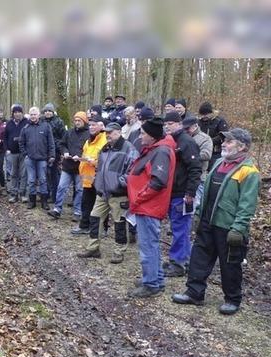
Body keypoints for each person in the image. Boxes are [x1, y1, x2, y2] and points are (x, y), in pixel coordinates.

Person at [172, 128, 260, 315]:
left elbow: (247, 204)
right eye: (224, 141)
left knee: (230, 264)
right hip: (208, 221)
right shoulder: (219, 162)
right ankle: (194, 293)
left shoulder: (249, 172)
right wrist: (198, 215)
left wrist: (238, 228)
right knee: (199, 258)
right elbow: (206, 193)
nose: (224, 144)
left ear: (242, 146)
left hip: (228, 227)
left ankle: (232, 299)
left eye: (229, 141)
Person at [126, 117, 177, 298]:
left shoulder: (161, 151)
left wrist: (139, 198)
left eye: (143, 133)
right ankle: (156, 278)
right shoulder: (156, 148)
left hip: (149, 206)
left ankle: (151, 284)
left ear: (153, 136)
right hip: (145, 206)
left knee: (148, 246)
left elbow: (158, 182)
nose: (140, 137)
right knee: (151, 245)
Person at [78, 122, 138, 263]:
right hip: (102, 192)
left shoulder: (129, 149)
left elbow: (133, 171)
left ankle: (119, 251)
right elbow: (99, 167)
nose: (107, 135)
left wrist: (119, 183)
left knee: (119, 223)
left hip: (119, 194)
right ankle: (93, 248)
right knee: (94, 218)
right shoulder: (105, 148)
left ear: (119, 132)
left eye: (110, 132)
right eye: (106, 132)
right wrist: (98, 182)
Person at [162, 111, 202, 277]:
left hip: (183, 193)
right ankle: (179, 259)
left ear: (179, 124)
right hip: (172, 192)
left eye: (170, 124)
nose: (167, 126)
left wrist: (190, 193)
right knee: (176, 227)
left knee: (181, 228)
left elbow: (195, 168)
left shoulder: (186, 142)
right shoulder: (171, 141)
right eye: (166, 124)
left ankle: (179, 263)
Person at [47, 111, 89, 220]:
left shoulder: (89, 134)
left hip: (81, 167)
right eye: (75, 120)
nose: (77, 122)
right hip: (67, 166)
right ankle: (57, 209)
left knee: (80, 190)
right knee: (61, 187)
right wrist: (64, 151)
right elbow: (62, 144)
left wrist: (80, 156)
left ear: (84, 121)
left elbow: (91, 150)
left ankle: (77, 212)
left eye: (79, 120)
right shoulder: (69, 132)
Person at [71, 117, 107, 234]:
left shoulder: (105, 141)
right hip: (87, 178)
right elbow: (84, 155)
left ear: (101, 126)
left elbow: (105, 161)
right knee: (86, 203)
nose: (91, 127)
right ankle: (84, 226)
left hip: (99, 178)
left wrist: (93, 161)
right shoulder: (88, 141)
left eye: (94, 125)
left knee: (101, 205)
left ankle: (103, 229)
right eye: (90, 125)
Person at [20, 106, 55, 209]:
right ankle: (32, 201)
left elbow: (51, 142)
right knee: (31, 180)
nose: (33, 116)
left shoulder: (46, 126)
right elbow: (21, 143)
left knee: (43, 179)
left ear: (39, 115)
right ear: (29, 116)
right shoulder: (25, 128)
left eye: (35, 114)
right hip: (30, 159)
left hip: (42, 159)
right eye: (31, 114)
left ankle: (44, 202)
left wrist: (52, 155)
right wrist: (25, 154)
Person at [182, 116, 212, 209]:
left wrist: (191, 155)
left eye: (188, 128)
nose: (186, 130)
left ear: (195, 126)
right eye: (184, 128)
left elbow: (207, 154)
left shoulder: (205, 138)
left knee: (194, 207)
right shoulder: (183, 137)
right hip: (183, 178)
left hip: (198, 178)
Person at [4, 104, 29, 203]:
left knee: (23, 174)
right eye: (15, 112)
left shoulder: (27, 123)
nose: (17, 114)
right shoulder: (9, 124)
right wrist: (6, 149)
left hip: (24, 153)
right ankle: (14, 194)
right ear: (13, 114)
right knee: (13, 174)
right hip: (12, 153)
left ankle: (23, 194)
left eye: (19, 112)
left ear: (22, 113)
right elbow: (5, 138)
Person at [42, 103, 66, 204]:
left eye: (49, 111)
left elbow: (63, 137)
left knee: (54, 174)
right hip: (43, 150)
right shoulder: (41, 121)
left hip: (55, 151)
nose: (47, 113)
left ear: (53, 112)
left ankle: (54, 195)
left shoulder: (59, 121)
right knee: (44, 174)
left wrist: (60, 150)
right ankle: (45, 194)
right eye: (46, 111)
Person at [197, 101, 229, 170]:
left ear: (211, 113)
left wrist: (209, 141)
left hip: (216, 152)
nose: (204, 116)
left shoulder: (219, 121)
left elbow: (223, 135)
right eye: (202, 114)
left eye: (206, 114)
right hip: (202, 151)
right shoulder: (199, 122)